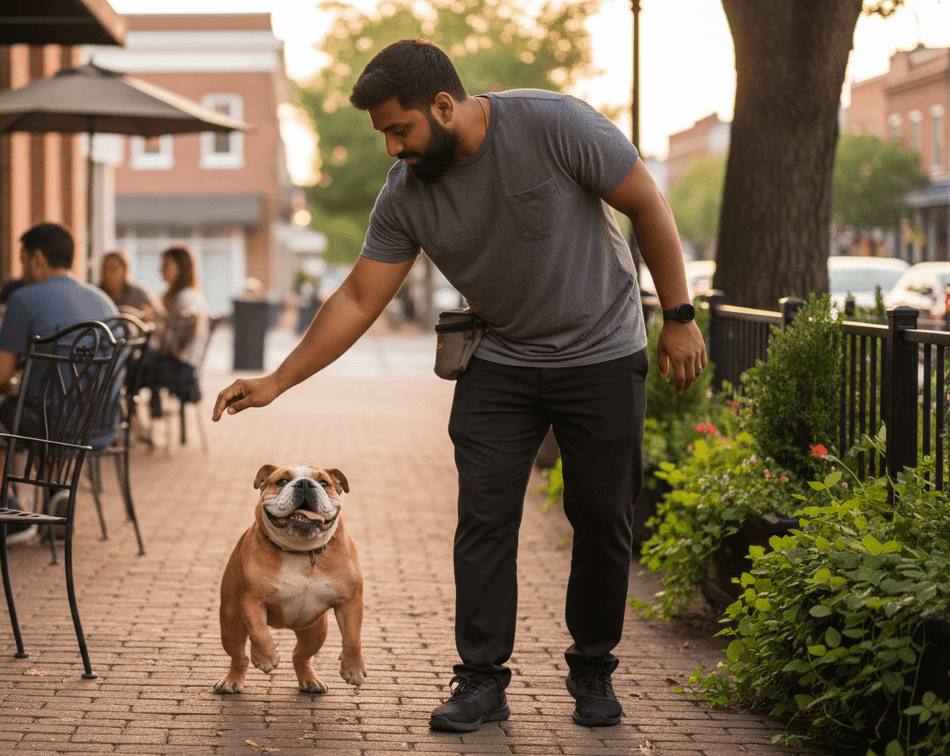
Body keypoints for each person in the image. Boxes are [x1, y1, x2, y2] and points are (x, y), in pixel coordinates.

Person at [212, 40, 706, 732]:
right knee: (484, 520)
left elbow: (648, 206)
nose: (391, 147)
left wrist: (679, 316)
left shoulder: (558, 124)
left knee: (603, 517)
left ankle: (593, 666)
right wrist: (277, 382)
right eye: (383, 133)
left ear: (443, 106)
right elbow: (358, 297)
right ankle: (480, 678)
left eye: (400, 128)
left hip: (600, 352)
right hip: (500, 358)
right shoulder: (406, 193)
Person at [0, 222, 118, 548]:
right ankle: (57, 493)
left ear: (36, 259)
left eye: (22, 260)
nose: (22, 269)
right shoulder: (104, 302)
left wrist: (10, 369)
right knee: (44, 409)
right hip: (100, 422)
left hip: (48, 421)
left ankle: (12, 514)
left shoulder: (25, 298)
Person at [140, 245, 210, 413]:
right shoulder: (186, 294)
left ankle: (128, 425)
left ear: (182, 267)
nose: (161, 269)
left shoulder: (186, 298)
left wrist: (155, 321)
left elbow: (175, 345)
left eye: (166, 265)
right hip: (181, 366)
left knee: (128, 369)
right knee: (137, 363)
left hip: (179, 368)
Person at [98, 250, 162, 324]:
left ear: (125, 270)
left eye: (113, 269)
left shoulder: (139, 295)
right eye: (105, 268)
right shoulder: (96, 295)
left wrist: (144, 317)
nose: (108, 274)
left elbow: (158, 322)